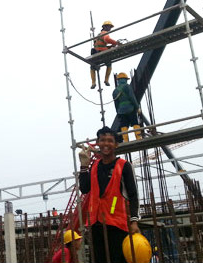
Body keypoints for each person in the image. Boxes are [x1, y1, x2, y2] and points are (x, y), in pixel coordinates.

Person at [78, 126, 140, 263]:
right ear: (98, 143)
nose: (106, 144)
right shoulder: (94, 166)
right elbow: (84, 189)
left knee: (118, 259)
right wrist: (84, 166)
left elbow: (133, 195)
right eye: (102, 140)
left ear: (116, 144)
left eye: (110, 141)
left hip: (117, 224)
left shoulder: (124, 166)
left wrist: (134, 220)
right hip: (96, 224)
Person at [112, 72, 142, 142]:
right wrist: (137, 107)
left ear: (118, 80)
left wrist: (118, 112)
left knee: (124, 125)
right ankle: (138, 137)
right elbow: (132, 98)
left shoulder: (115, 91)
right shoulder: (127, 87)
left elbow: (116, 104)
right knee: (135, 122)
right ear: (125, 79)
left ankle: (126, 140)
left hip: (121, 110)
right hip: (130, 108)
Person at [90, 21, 119, 89]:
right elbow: (107, 39)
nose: (110, 28)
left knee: (92, 67)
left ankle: (93, 83)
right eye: (109, 26)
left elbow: (99, 44)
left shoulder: (98, 35)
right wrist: (116, 43)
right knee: (109, 64)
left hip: (95, 52)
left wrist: (110, 46)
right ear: (104, 27)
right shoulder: (104, 33)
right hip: (102, 52)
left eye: (110, 27)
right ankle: (106, 80)